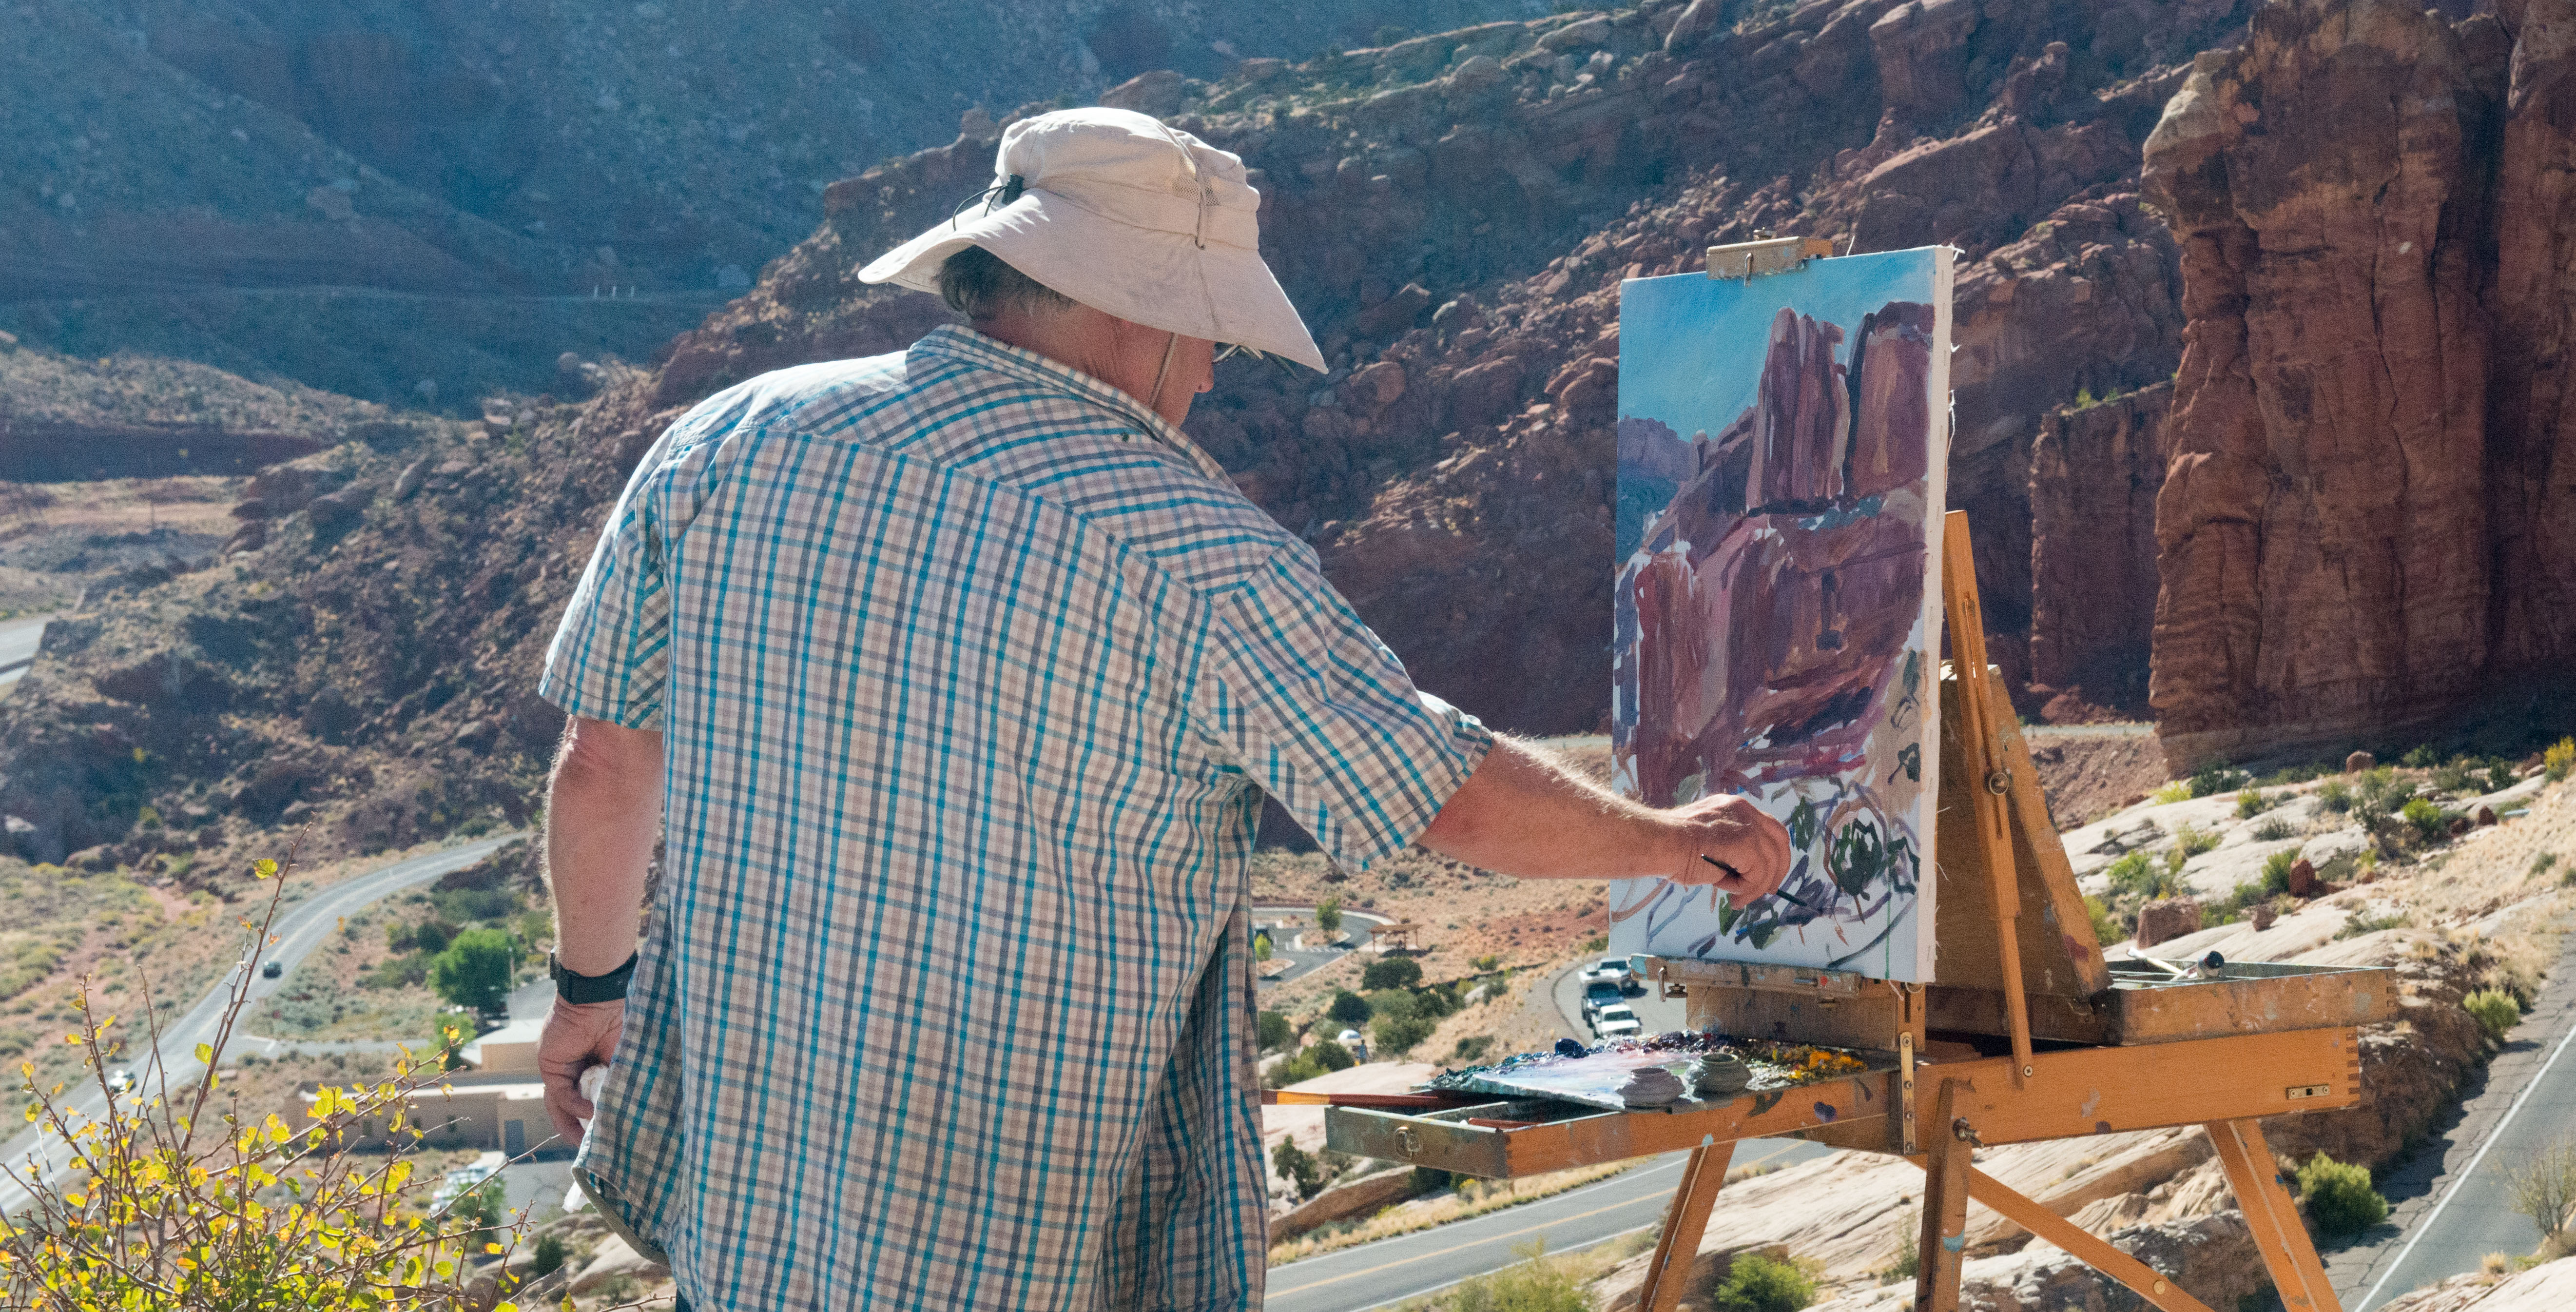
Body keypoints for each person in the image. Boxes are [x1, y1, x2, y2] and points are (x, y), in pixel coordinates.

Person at [527, 108, 1792, 1310]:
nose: (1203, 380)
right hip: (993, 1229)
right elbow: (1438, 789)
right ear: (1149, 321)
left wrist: (590, 985)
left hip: (746, 1206)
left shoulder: (728, 439)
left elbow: (600, 760)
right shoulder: (1190, 547)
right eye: (1214, 342)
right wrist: (1672, 843)